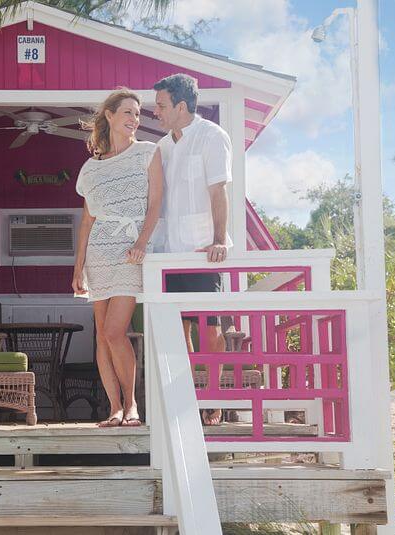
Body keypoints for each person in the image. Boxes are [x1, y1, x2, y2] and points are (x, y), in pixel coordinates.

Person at [72, 88, 164, 427]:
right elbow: (87, 221)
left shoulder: (147, 153)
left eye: (138, 114)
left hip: (130, 251)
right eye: (127, 112)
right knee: (101, 333)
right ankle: (114, 407)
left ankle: (132, 405)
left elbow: (155, 204)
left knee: (114, 331)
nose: (134, 119)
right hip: (99, 252)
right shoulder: (90, 168)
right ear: (109, 116)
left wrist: (141, 242)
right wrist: (78, 265)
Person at [152, 74, 233, 425]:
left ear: (181, 107)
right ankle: (187, 397)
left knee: (209, 329)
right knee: (179, 330)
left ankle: (214, 399)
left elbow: (219, 192)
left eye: (161, 105)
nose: (155, 111)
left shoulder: (212, 137)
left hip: (201, 250)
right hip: (170, 253)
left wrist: (218, 239)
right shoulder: (163, 147)